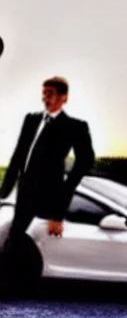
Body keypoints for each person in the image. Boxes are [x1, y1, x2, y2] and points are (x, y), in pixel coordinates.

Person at [0, 77, 95, 287]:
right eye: (44, 93)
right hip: (23, 193)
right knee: (13, 241)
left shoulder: (74, 127)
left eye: (50, 93)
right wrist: (4, 191)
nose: (45, 98)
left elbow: (86, 160)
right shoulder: (31, 119)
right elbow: (18, 156)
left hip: (49, 196)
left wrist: (59, 208)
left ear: (64, 98)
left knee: (41, 243)